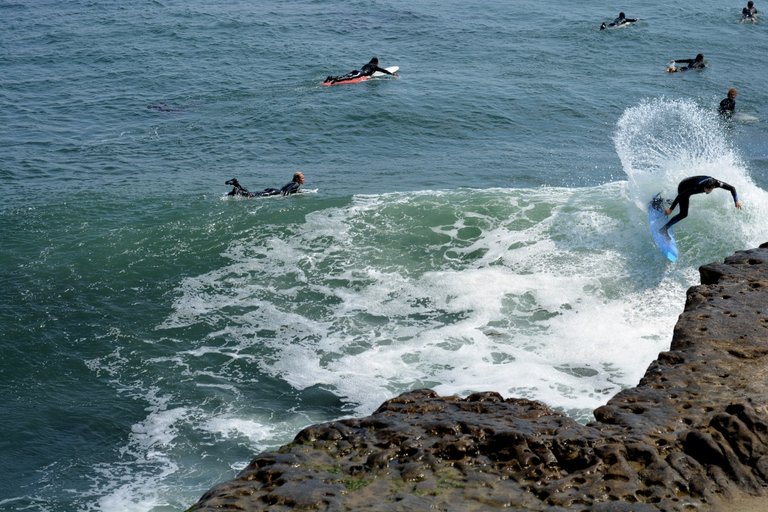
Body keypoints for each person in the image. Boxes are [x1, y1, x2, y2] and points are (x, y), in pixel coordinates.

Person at [660, 176, 742, 235]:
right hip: (683, 186)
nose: (707, 191)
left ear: (713, 187)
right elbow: (680, 195)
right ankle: (664, 229)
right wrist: (671, 209)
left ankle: (660, 201)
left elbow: (732, 188)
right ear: (704, 186)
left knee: (681, 204)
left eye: (709, 190)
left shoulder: (716, 183)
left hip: (688, 185)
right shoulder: (696, 187)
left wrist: (736, 201)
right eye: (706, 189)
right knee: (683, 213)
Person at [226, 172, 305, 198]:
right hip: (276, 192)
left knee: (255, 193)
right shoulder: (296, 184)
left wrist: (297, 192)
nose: (303, 179)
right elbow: (287, 191)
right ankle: (238, 192)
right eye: (302, 178)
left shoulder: (291, 182)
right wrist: (284, 198)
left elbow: (291, 189)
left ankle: (236, 184)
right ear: (297, 179)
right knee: (253, 195)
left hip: (273, 189)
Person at [324, 57, 396, 85]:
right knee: (349, 78)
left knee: (345, 76)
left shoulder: (367, 64)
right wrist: (392, 74)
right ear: (376, 62)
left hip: (356, 71)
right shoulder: (374, 66)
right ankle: (336, 80)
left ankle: (331, 78)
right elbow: (384, 71)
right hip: (360, 73)